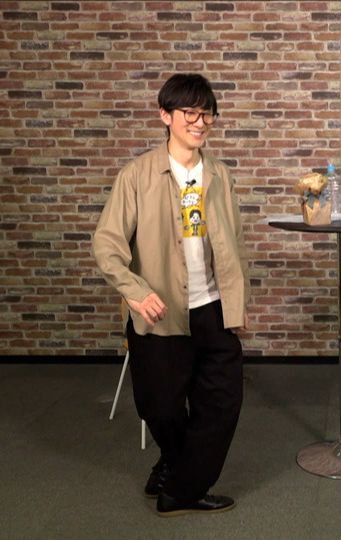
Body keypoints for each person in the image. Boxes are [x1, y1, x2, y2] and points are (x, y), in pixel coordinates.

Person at [92, 73, 250, 516]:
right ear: (165, 115)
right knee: (159, 407)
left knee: (222, 402)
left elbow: (235, 242)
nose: (200, 123)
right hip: (159, 312)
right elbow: (106, 244)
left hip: (212, 308)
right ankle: (173, 466)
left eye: (207, 114)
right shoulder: (137, 175)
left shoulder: (219, 174)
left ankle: (181, 489)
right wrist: (135, 292)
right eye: (190, 113)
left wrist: (237, 302)